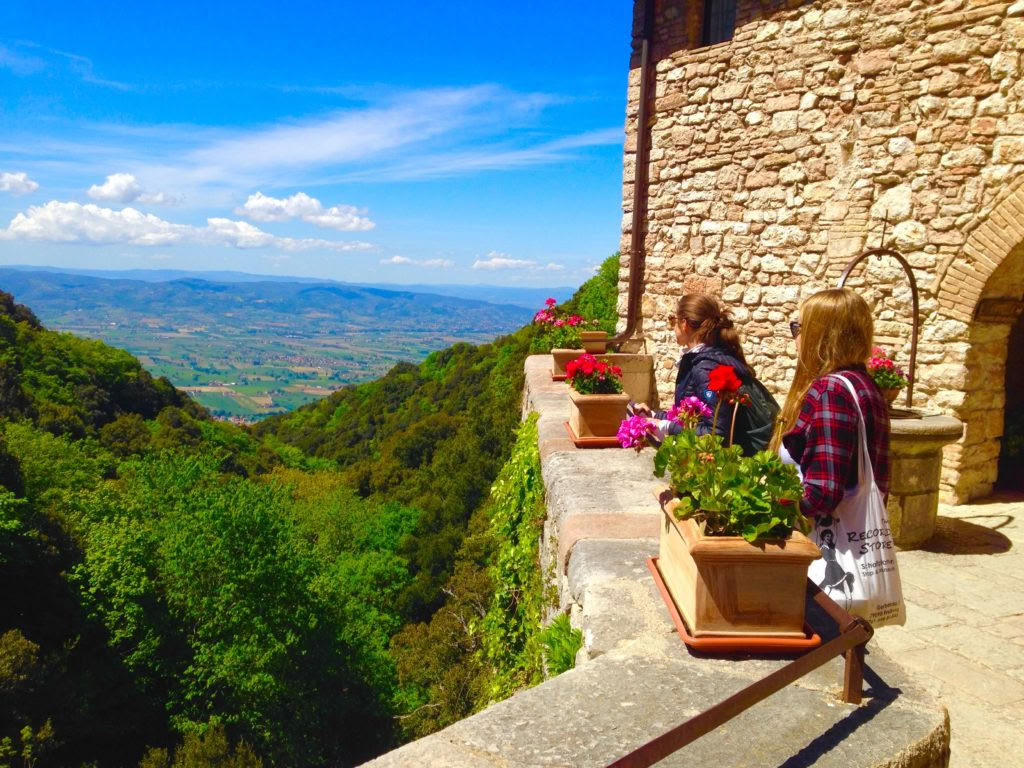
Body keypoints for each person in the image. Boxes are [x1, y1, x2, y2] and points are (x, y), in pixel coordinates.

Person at [773, 288, 891, 519]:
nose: (796, 338)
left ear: (821, 334)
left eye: (799, 327)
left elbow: (822, 494)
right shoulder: (864, 384)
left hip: (823, 544)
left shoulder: (832, 391)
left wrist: (762, 501)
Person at [633, 293, 775, 455]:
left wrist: (664, 426)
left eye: (673, 320)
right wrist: (653, 415)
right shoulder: (710, 358)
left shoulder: (705, 368)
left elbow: (715, 433)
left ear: (684, 324)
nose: (672, 326)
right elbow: (693, 419)